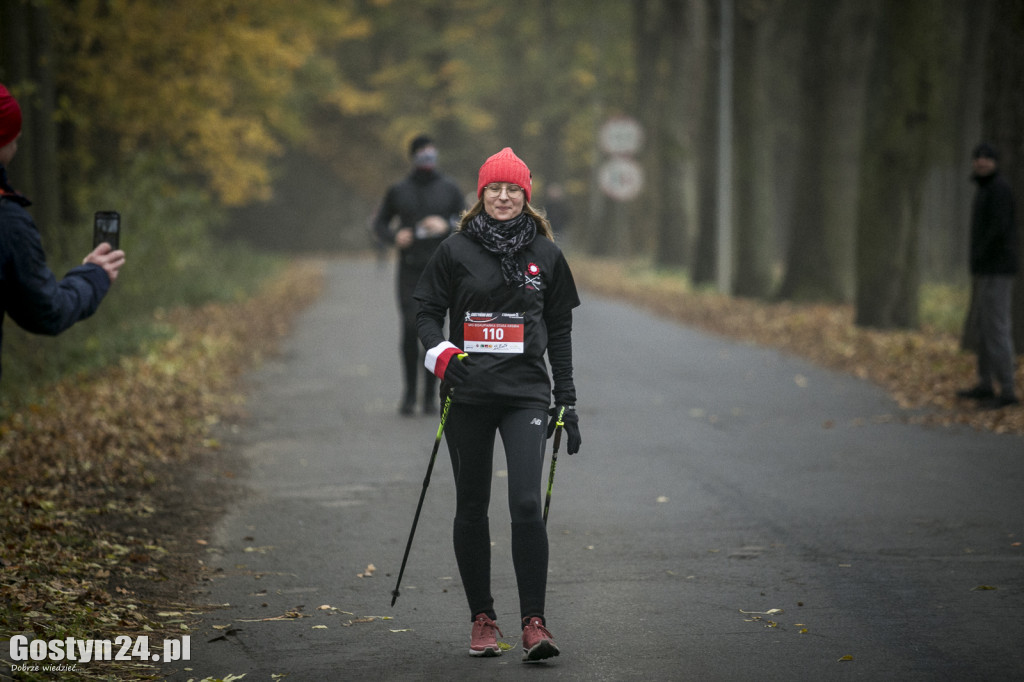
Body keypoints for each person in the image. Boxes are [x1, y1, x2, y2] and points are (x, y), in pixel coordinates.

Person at [414, 147, 582, 661]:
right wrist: (441, 356)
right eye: (494, 189)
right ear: (480, 195)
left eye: (512, 189)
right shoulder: (455, 250)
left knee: (527, 504)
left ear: (526, 197)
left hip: (526, 395)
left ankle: (535, 622)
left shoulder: (547, 255)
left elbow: (560, 332)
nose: (503, 197)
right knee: (472, 506)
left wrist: (567, 402)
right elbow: (425, 313)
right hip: (467, 396)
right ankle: (482, 619)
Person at [0, 83, 125, 383]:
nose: (16, 148)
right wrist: (92, 276)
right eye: (13, 140)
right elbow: (47, 312)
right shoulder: (7, 222)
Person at [374, 135, 464, 416]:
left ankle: (430, 396)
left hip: (441, 270)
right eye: (422, 152)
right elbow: (379, 223)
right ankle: (410, 393)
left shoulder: (449, 188)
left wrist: (446, 223)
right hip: (410, 270)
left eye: (431, 151)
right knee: (411, 329)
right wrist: (394, 236)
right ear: (413, 156)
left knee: (435, 333)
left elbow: (469, 221)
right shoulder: (399, 190)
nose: (428, 156)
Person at [957, 142, 1019, 408]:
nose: (981, 162)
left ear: (995, 163)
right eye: (978, 158)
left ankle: (1007, 390)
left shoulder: (999, 190)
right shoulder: (984, 189)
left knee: (996, 327)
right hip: (985, 269)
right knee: (983, 327)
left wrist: (983, 254)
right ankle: (985, 384)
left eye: (987, 158)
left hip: (998, 270)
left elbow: (999, 230)